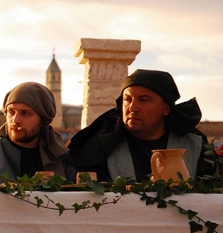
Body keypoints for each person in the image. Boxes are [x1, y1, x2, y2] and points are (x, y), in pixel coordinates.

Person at [67, 69, 213, 182]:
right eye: (127, 99)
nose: (132, 107)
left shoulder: (195, 147)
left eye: (143, 100)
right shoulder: (99, 149)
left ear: (166, 109)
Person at [0, 82, 69, 179]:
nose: (15, 120)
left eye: (25, 113)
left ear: (43, 118)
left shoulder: (61, 159)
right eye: (11, 112)